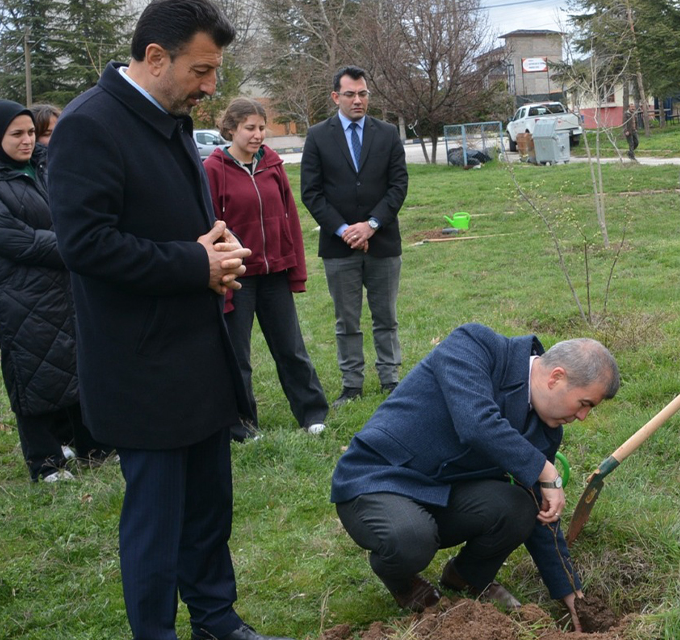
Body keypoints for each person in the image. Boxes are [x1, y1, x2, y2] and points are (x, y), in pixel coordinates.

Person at [47, 1, 293, 638]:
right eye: (202, 69)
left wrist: (213, 241)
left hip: (199, 354)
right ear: (154, 57)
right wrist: (194, 263)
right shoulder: (89, 125)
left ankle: (216, 619)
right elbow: (86, 245)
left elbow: (172, 223)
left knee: (210, 510)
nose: (212, 86)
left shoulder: (170, 119)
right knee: (156, 520)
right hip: (140, 364)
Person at [331, 323, 618, 630]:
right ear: (556, 377)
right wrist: (543, 467)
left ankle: (465, 577)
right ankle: (402, 582)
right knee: (411, 538)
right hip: (379, 479)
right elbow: (475, 422)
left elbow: (543, 512)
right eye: (584, 403)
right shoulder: (475, 345)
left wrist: (568, 589)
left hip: (442, 493)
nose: (583, 417)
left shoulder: (546, 431)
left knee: (520, 507)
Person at [0, 100, 108, 482]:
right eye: (17, 134)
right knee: (32, 372)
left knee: (79, 363)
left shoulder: (47, 163)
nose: (28, 140)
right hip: (19, 293)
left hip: (68, 284)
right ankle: (46, 461)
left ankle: (92, 446)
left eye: (30, 132)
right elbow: (12, 239)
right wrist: (78, 245)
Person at [205, 98, 329, 436]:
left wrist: (295, 268)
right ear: (230, 128)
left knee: (291, 348)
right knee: (238, 357)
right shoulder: (213, 169)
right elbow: (209, 226)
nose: (258, 134)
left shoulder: (273, 165)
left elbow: (289, 216)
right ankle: (243, 426)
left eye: (261, 128)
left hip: (274, 273)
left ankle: (313, 414)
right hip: (237, 277)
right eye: (250, 128)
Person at [301, 65, 409, 409]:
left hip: (383, 242)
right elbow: (311, 192)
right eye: (350, 94)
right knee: (346, 319)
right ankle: (352, 385)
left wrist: (371, 224)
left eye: (363, 93)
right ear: (336, 97)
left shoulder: (387, 133)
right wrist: (345, 230)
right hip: (338, 245)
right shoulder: (318, 135)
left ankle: (391, 379)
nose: (358, 100)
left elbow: (398, 185)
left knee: (386, 316)